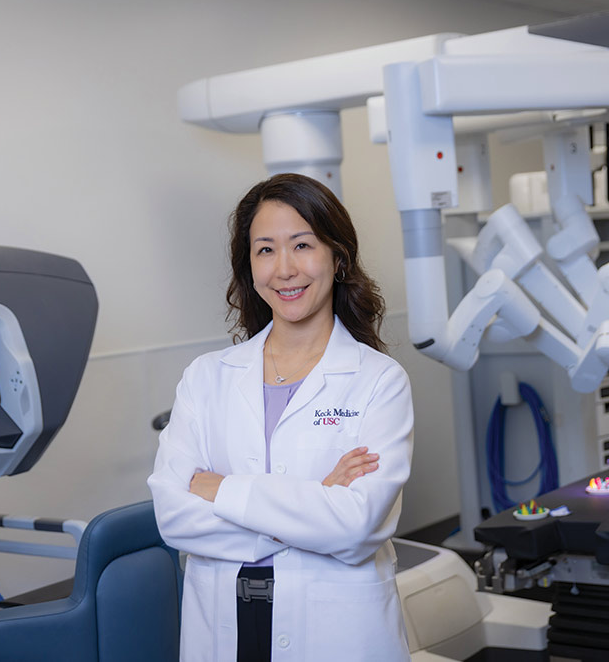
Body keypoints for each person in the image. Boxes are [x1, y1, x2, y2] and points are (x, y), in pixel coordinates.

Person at [148, 173, 414, 662]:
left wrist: (219, 489)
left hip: (336, 630)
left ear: (338, 256)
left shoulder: (379, 380)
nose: (285, 269)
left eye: (302, 245)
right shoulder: (207, 378)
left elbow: (357, 527)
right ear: (249, 266)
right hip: (223, 624)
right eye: (265, 250)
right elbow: (173, 516)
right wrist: (316, 503)